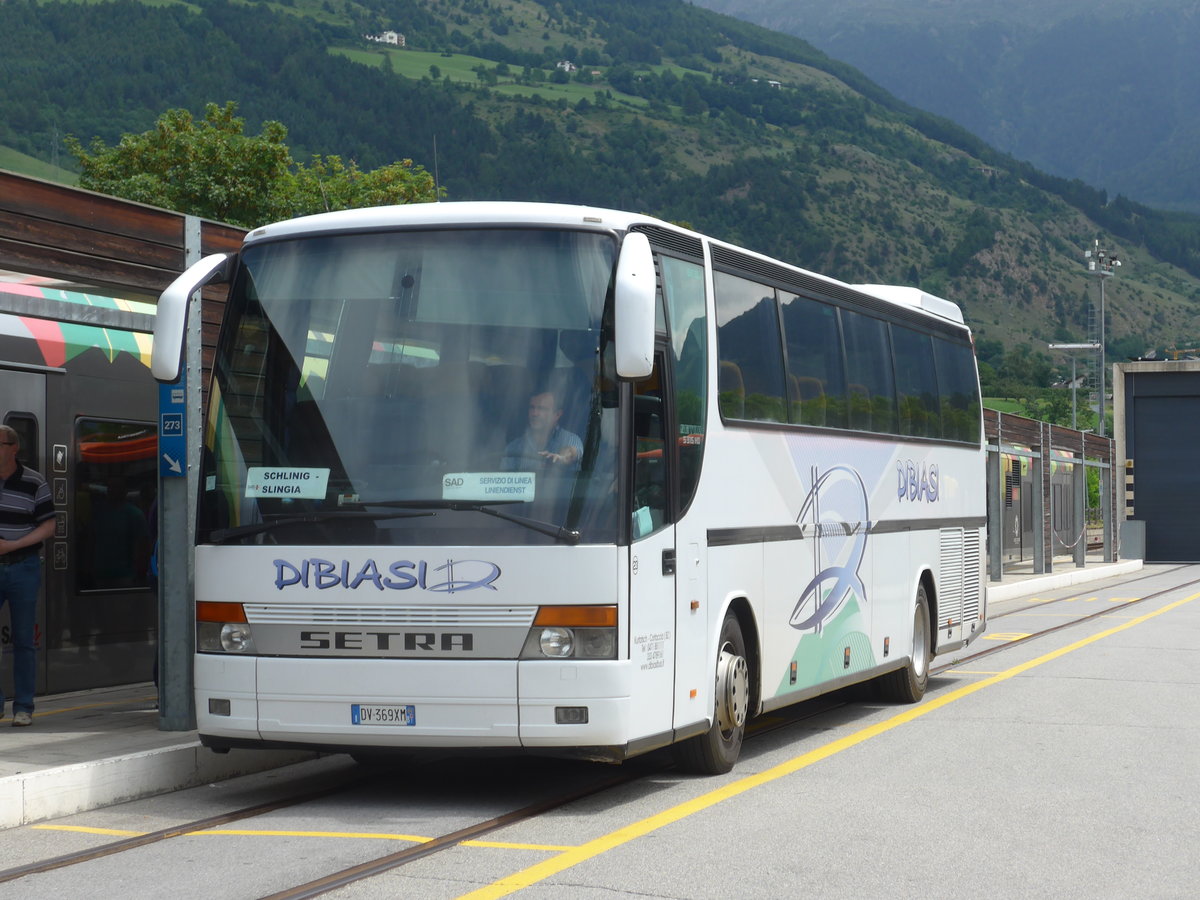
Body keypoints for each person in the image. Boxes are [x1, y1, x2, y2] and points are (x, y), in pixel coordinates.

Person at [0, 424, 55, 727]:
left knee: (23, 639)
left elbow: (49, 527)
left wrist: (12, 545)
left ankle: (23, 707)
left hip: (23, 566)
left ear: (13, 448)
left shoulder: (35, 482)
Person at [502, 389, 583, 471]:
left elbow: (573, 452)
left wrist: (563, 457)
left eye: (541, 408)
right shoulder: (513, 448)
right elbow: (504, 481)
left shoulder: (570, 439)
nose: (535, 413)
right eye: (532, 407)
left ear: (557, 415)